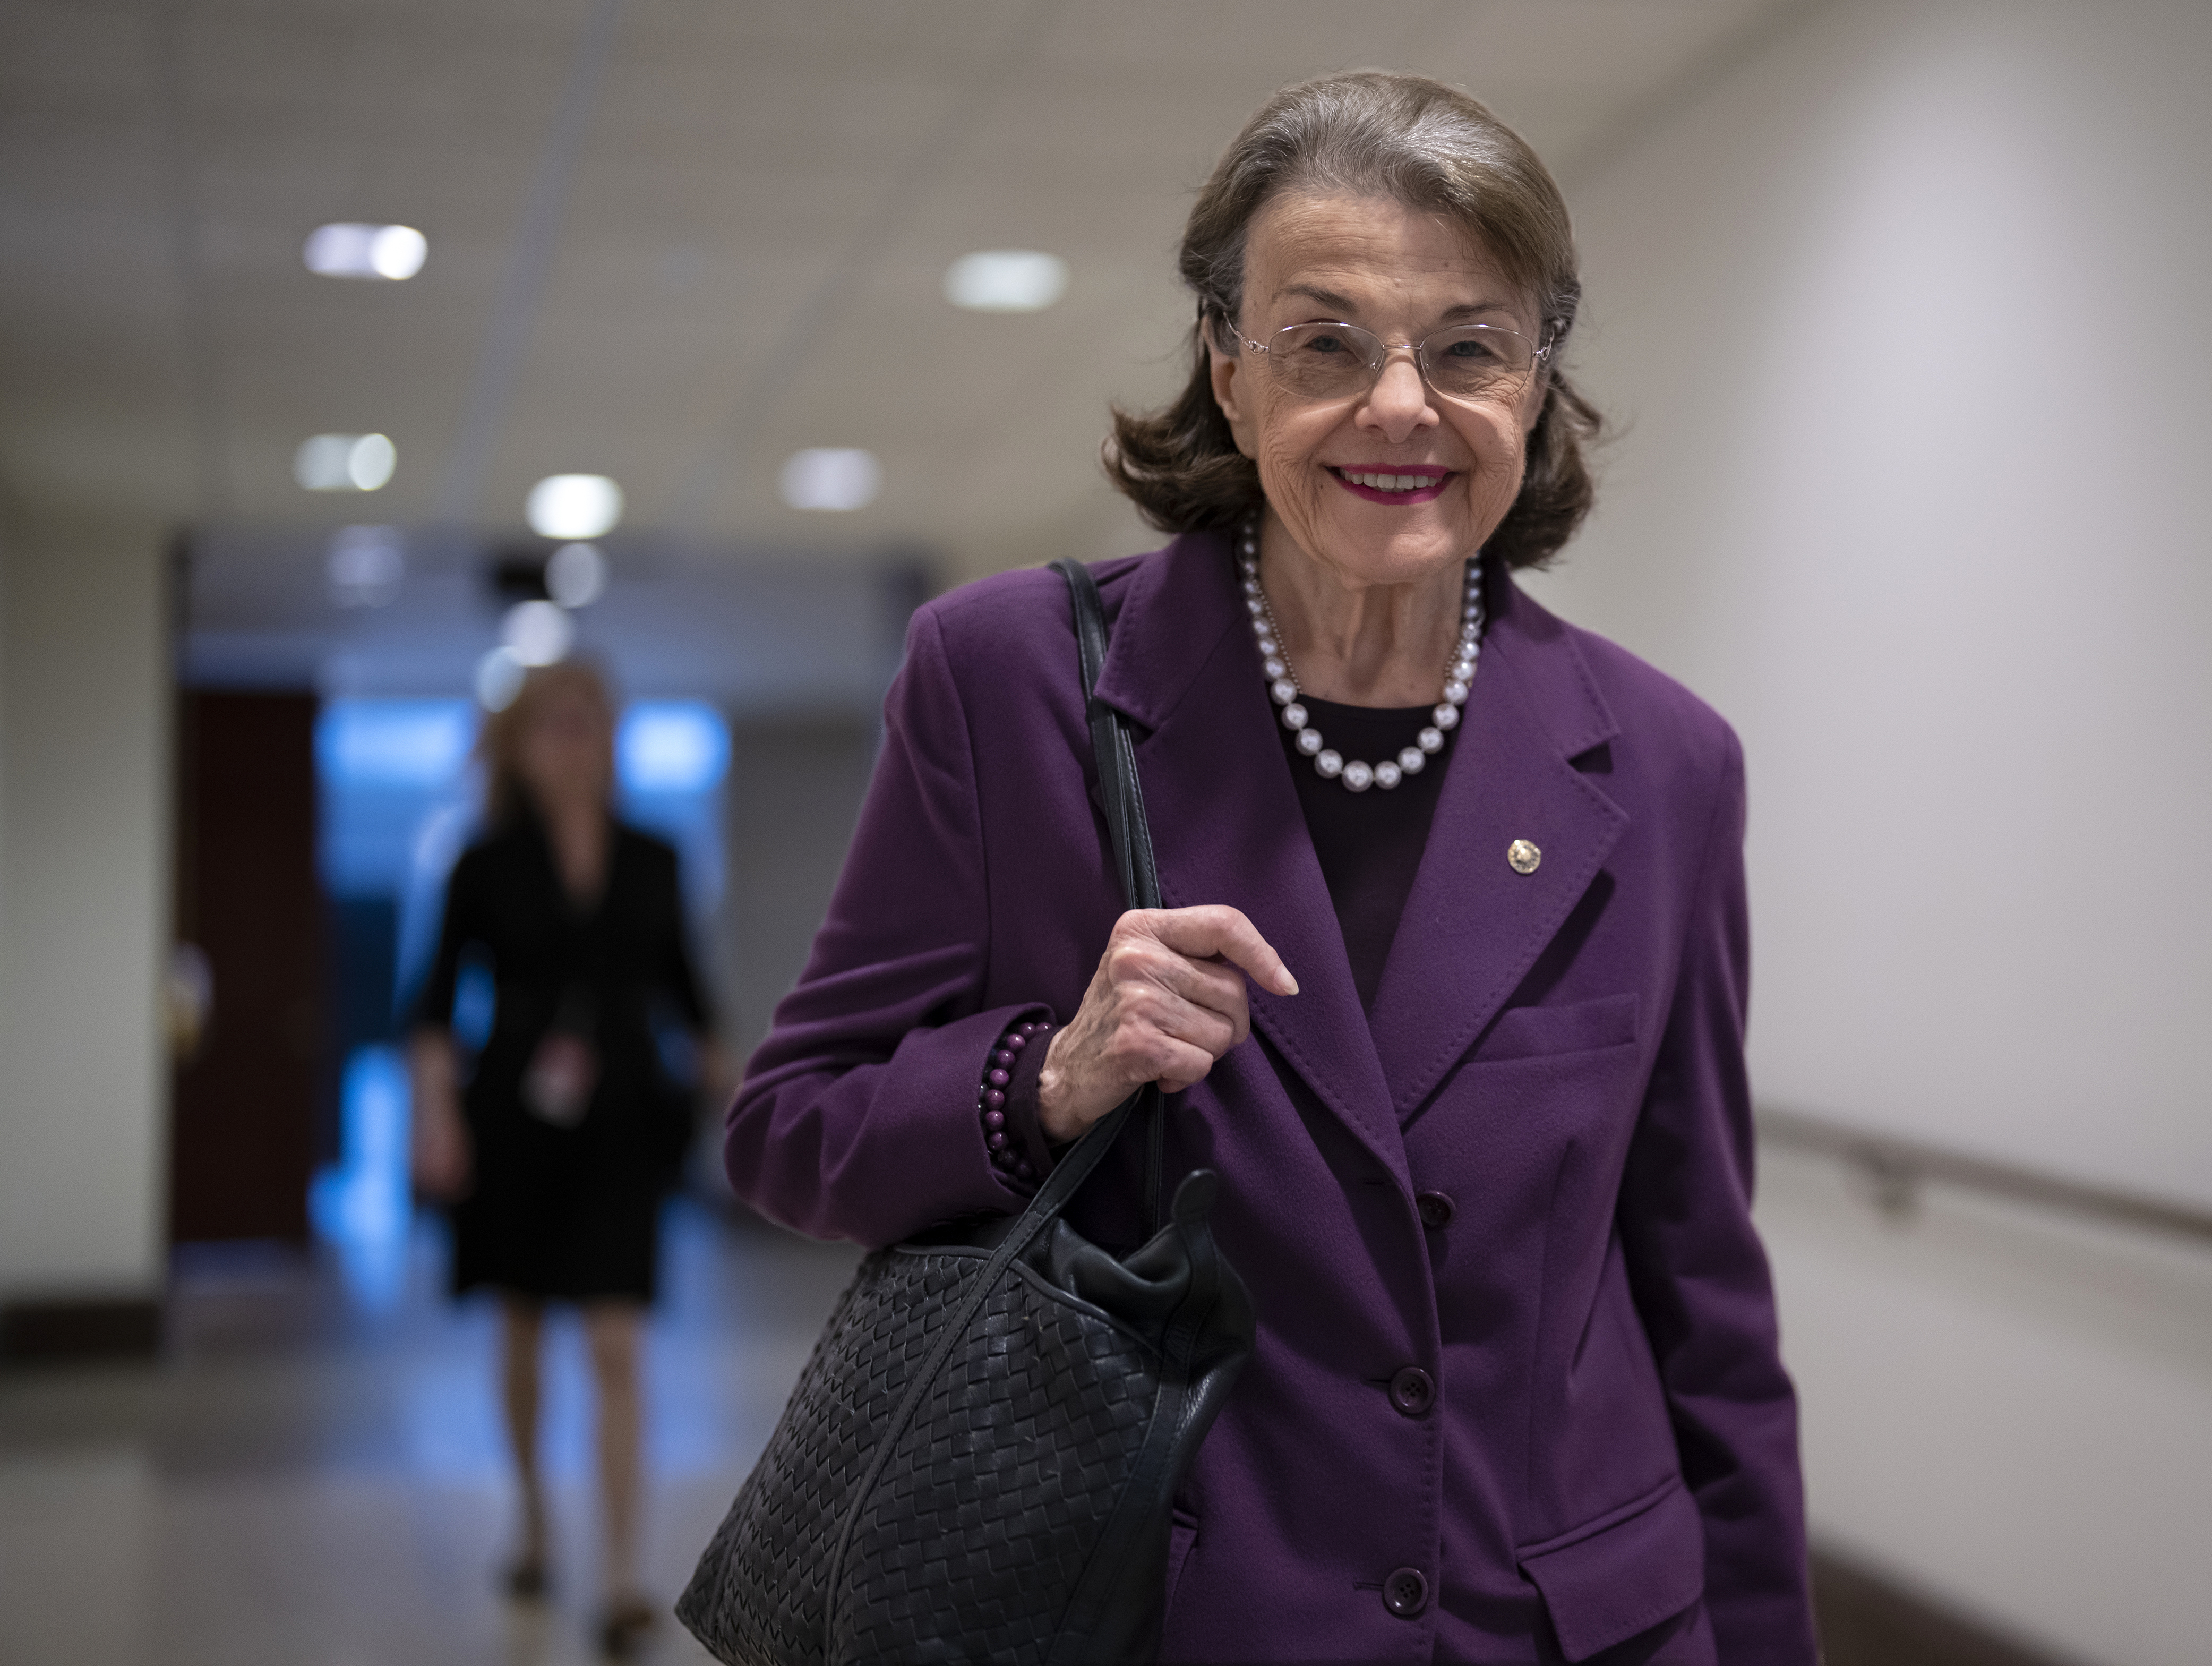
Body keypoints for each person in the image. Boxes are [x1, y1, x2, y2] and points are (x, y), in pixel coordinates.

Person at [727, 70, 1816, 1664]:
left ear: (1531, 387)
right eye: (1323, 342)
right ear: (1225, 373)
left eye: (1466, 347)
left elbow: (1701, 1291)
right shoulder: (1010, 678)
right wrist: (1048, 1074)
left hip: (1559, 1629)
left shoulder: (1661, 766)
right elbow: (787, 1129)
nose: (1398, 406)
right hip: (1168, 1617)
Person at [410, 660, 719, 1661]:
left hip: (625, 1126)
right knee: (522, 1329)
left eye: (589, 722)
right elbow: (428, 1007)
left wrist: (747, 1108)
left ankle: (623, 1572)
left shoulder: (655, 858)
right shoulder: (482, 860)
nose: (574, 740)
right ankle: (537, 1518)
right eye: (554, 724)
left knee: (616, 1344)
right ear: (518, 743)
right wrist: (434, 1120)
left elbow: (692, 996)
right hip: (513, 1125)